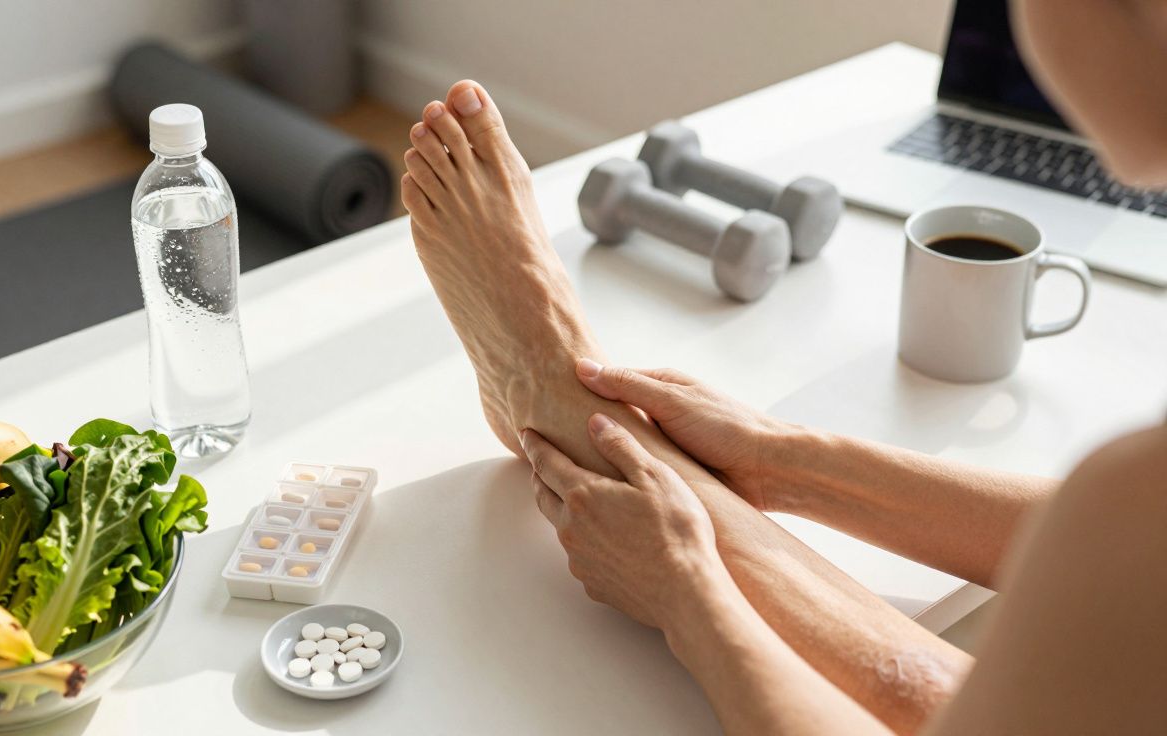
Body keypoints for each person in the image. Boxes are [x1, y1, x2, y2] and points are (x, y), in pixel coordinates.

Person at [395, 1, 1167, 732]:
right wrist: (781, 457)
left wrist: (688, 593)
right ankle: (589, 417)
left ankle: (565, 399)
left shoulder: (1121, 503)